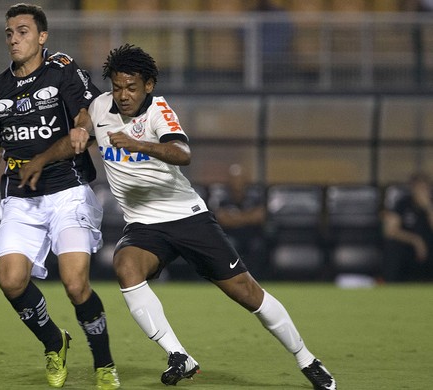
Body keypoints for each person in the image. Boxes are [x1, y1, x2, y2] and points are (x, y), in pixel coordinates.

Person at [66, 44, 335, 389]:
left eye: (131, 87)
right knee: (126, 266)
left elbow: (183, 153)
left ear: (149, 85)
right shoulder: (101, 107)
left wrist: (141, 145)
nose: (123, 95)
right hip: (144, 224)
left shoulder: (160, 111)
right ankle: (178, 355)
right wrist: (77, 128)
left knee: (248, 293)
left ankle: (307, 360)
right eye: (117, 87)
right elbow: (83, 125)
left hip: (187, 217)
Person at [0, 4, 119, 389]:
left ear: (42, 36)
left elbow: (85, 111)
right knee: (11, 281)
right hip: (20, 197)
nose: (14, 39)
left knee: (75, 284)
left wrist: (81, 130)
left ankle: (104, 363)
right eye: (10, 33)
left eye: (23, 31)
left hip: (67, 191)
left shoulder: (63, 69)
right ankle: (54, 341)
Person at [213, 163, 267, 279]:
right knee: (230, 245)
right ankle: (232, 278)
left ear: (246, 180)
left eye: (240, 178)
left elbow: (259, 217)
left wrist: (236, 217)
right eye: (234, 179)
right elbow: (222, 219)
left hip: (252, 235)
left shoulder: (255, 195)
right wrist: (248, 217)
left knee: (258, 246)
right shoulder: (222, 197)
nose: (237, 182)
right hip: (231, 236)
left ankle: (257, 279)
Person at [382, 172, 433, 282]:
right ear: (412, 189)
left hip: (430, 248)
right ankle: (391, 286)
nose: (422, 192)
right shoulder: (402, 204)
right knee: (392, 246)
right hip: (408, 248)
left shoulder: (431, 205)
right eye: (419, 188)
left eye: (425, 188)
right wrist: (416, 241)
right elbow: (390, 231)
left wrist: (428, 208)